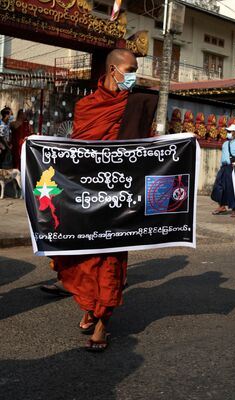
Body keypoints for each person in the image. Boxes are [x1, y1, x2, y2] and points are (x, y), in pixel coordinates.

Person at [51, 48, 157, 352]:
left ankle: (102, 325)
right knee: (82, 258)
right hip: (87, 196)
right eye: (131, 68)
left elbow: (147, 148)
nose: (135, 74)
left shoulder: (139, 104)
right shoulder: (87, 106)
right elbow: (76, 151)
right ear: (113, 70)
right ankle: (90, 307)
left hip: (119, 198)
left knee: (110, 261)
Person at [211, 124, 235, 217]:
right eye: (228, 131)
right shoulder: (225, 143)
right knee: (218, 186)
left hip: (233, 166)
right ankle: (221, 206)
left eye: (230, 132)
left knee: (232, 187)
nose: (228, 133)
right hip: (224, 167)